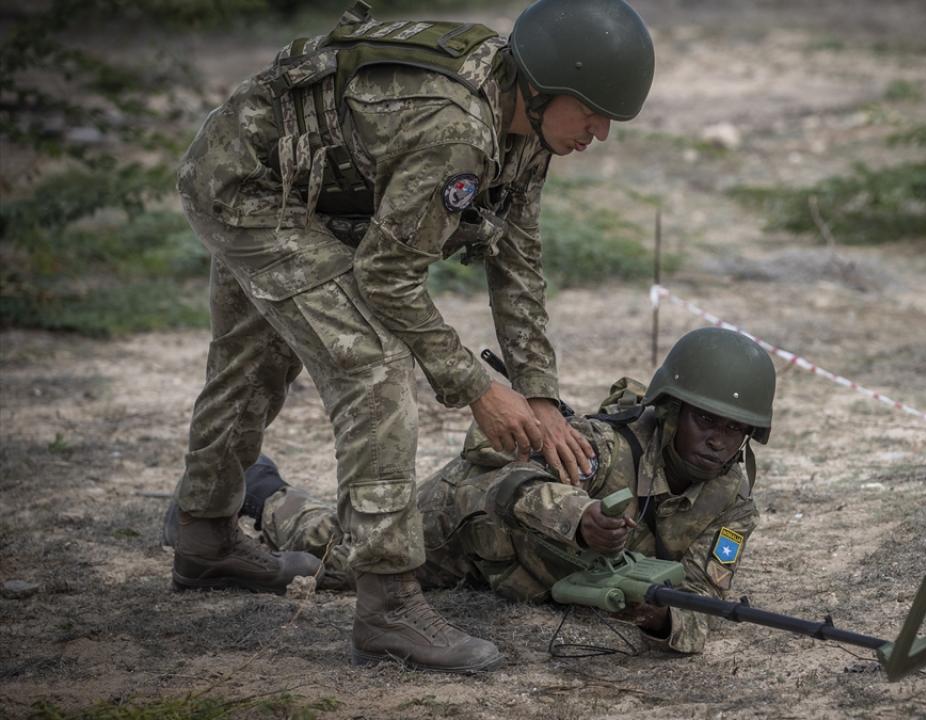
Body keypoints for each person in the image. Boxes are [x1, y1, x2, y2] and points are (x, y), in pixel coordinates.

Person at [167, 0, 655, 673]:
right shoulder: (457, 130)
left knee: (254, 363)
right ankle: (390, 605)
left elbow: (517, 260)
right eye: (593, 112)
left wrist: (539, 395)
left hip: (303, 188)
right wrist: (480, 387)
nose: (599, 133)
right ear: (543, 89)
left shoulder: (525, 129)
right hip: (249, 186)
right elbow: (387, 277)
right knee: (371, 373)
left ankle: (203, 534)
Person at [216, 328, 776, 655]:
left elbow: (706, 598)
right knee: (333, 554)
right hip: (465, 523)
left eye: (736, 430)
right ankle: (256, 488)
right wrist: (577, 516)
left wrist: (661, 620)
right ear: (672, 411)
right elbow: (493, 460)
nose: (719, 443)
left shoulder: (731, 504)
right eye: (708, 423)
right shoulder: (608, 446)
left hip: (515, 576)